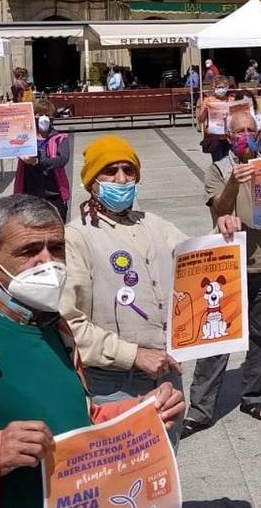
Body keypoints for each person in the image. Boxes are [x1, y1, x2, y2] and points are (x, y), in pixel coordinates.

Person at [0, 195, 185, 508]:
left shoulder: (54, 325)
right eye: (29, 251)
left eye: (56, 248)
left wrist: (138, 413)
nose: (48, 262)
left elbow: (76, 418)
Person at [61, 136, 202, 444]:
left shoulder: (154, 224)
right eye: (110, 171)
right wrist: (134, 354)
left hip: (167, 377)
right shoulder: (77, 237)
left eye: (129, 170)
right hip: (112, 385)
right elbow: (70, 324)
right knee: (121, 478)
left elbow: (201, 264)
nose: (121, 179)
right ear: (91, 182)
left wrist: (227, 234)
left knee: (166, 471)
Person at [184, 110, 261, 434]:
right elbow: (219, 210)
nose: (246, 135)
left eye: (251, 129)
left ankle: (253, 397)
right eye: (239, 131)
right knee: (217, 338)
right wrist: (233, 184)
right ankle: (200, 409)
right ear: (228, 136)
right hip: (228, 266)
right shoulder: (218, 169)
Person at [14, 100, 71, 222]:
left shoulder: (60, 138)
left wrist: (38, 161)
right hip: (29, 195)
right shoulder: (25, 138)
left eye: (47, 115)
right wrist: (9, 110)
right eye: (39, 114)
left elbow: (62, 160)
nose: (43, 118)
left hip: (54, 195)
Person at [197, 78, 233, 162]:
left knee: (229, 161)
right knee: (218, 162)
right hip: (214, 137)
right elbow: (201, 120)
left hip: (229, 137)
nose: (221, 89)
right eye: (219, 87)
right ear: (214, 87)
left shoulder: (230, 100)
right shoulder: (208, 100)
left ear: (227, 87)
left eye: (223, 87)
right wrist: (205, 109)